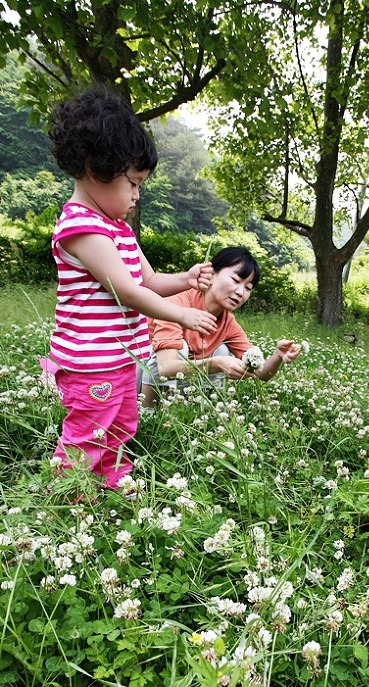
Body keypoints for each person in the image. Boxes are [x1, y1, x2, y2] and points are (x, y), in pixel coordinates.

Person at [46, 84, 218, 491]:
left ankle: (110, 480)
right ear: (96, 169)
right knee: (89, 432)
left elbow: (151, 281)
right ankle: (68, 497)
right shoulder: (81, 228)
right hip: (91, 365)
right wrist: (181, 313)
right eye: (133, 183)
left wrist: (186, 279)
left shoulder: (118, 228)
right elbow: (126, 290)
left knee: (122, 423)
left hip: (122, 358)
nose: (137, 196)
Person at [139, 246, 302, 407]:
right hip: (138, 379)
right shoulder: (177, 303)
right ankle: (148, 415)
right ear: (211, 274)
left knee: (221, 350)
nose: (240, 292)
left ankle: (196, 411)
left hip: (177, 388)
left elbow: (261, 373)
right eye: (236, 280)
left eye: (248, 288)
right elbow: (165, 367)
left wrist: (278, 356)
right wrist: (217, 364)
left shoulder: (227, 323)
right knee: (182, 348)